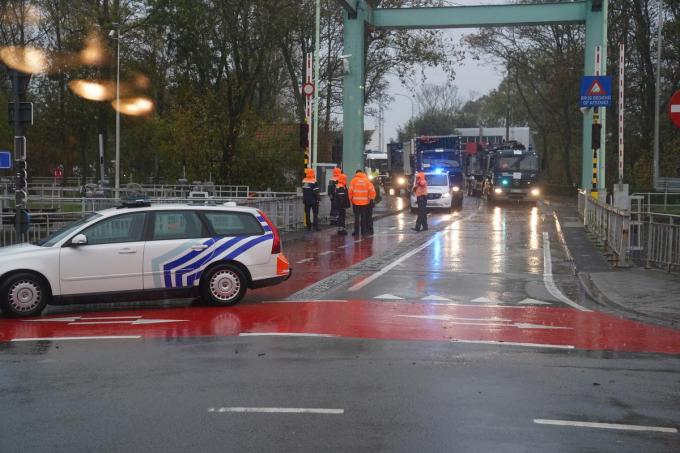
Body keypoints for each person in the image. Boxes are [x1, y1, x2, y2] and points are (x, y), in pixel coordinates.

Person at [349, 169, 376, 236]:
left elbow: (350, 191)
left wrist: (350, 199)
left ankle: (356, 232)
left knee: (356, 218)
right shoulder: (367, 181)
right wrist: (370, 199)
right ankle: (364, 232)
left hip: (355, 202)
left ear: (356, 173)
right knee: (363, 217)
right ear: (362, 173)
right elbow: (372, 191)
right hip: (365, 202)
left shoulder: (353, 181)